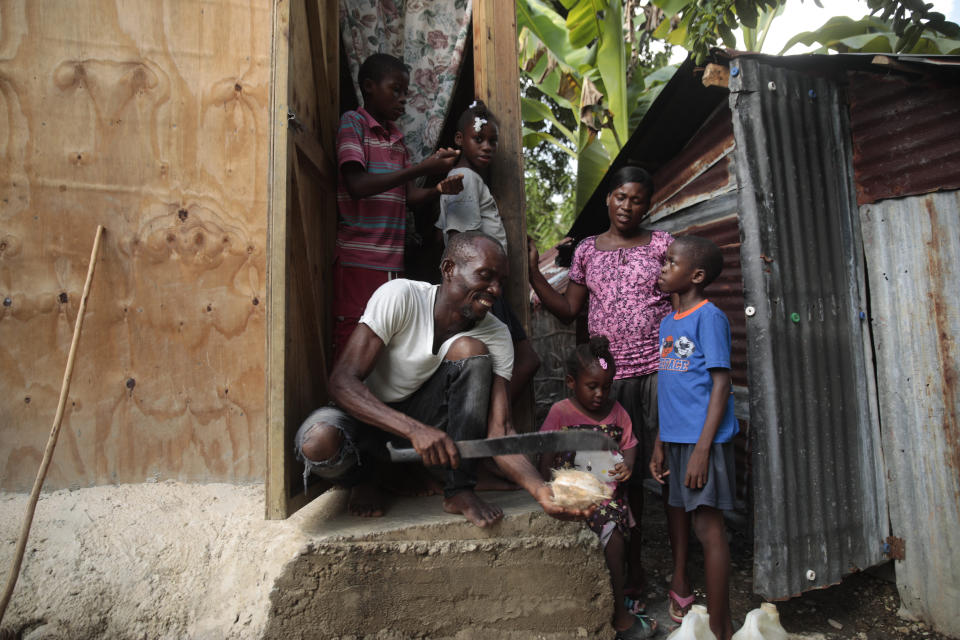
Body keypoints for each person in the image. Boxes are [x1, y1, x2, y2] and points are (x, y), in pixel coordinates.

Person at [295, 231, 592, 526]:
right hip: (364, 419)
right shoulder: (401, 296)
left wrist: (541, 491)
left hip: (419, 424)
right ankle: (366, 478)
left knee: (472, 350)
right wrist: (413, 430)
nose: (495, 290)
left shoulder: (496, 333)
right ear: (449, 269)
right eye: (486, 275)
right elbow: (342, 381)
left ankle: (459, 489)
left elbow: (500, 430)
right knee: (318, 441)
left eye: (501, 281)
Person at [527, 166, 673, 600]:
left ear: (648, 204)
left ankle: (642, 565)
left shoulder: (663, 245)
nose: (628, 207)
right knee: (614, 475)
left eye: (638, 199)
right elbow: (569, 309)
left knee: (655, 467)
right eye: (621, 197)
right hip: (609, 383)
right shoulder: (588, 250)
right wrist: (534, 272)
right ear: (609, 199)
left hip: (658, 372)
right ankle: (628, 565)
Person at [334, 53, 464, 357]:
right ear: (369, 86)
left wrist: (437, 189)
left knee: (383, 340)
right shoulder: (353, 125)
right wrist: (422, 168)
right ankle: (340, 402)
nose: (403, 99)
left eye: (406, 92)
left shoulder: (396, 140)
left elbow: (407, 197)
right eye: (396, 89)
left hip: (392, 263)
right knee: (350, 337)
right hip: (359, 260)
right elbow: (357, 186)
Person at [538, 336, 657, 640]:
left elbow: (630, 445)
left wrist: (627, 465)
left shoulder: (618, 413)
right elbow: (546, 456)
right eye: (592, 386)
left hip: (605, 498)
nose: (600, 394)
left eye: (607, 386)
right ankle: (618, 613)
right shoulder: (560, 413)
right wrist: (546, 489)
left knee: (615, 534)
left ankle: (620, 614)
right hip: (570, 496)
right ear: (570, 382)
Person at [649, 235, 738, 639]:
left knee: (708, 529)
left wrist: (703, 449)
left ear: (696, 275)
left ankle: (721, 628)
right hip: (677, 440)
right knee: (691, 521)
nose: (663, 267)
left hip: (706, 442)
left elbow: (721, 385)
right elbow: (672, 391)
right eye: (664, 261)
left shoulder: (710, 317)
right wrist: (660, 444)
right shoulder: (669, 321)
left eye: (671, 262)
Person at [435, 100, 540, 404]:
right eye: (478, 139)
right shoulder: (465, 180)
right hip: (478, 285)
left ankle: (492, 415)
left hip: (484, 284)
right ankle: (490, 417)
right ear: (459, 140)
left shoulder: (469, 180)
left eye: (493, 141)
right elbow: (462, 242)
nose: (487, 147)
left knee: (520, 359)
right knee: (518, 359)